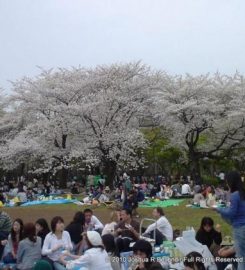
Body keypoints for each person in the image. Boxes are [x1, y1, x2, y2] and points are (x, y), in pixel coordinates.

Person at [215, 171, 245, 270]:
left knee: (241, 258)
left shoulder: (234, 195)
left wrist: (218, 209)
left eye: (227, 181)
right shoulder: (242, 193)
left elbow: (230, 213)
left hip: (240, 228)